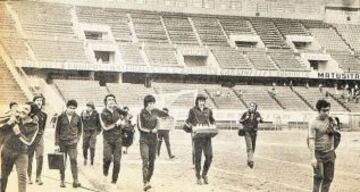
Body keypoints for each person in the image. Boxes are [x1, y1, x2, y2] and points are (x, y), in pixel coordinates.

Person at [1, 102, 39, 192]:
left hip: (22, 153)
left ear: (31, 113)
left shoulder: (34, 125)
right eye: (23, 107)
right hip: (7, 151)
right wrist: (10, 121)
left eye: (26, 109)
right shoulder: (15, 116)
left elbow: (29, 142)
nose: (22, 110)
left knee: (22, 177)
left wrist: (18, 133)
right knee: (3, 176)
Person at [137, 95, 169, 191]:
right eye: (149, 103)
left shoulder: (156, 111)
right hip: (144, 140)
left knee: (152, 162)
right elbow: (140, 127)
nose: (151, 105)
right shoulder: (140, 113)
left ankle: (148, 180)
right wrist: (152, 130)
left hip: (154, 141)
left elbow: (166, 115)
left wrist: (163, 119)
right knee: (145, 159)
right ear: (146, 104)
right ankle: (145, 182)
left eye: (153, 103)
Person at [184, 93, 216, 185]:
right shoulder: (192, 110)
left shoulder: (208, 110)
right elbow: (188, 121)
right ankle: (198, 177)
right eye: (200, 100)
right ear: (197, 101)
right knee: (198, 158)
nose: (202, 102)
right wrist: (191, 127)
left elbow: (212, 120)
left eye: (204, 101)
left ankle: (204, 174)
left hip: (207, 137)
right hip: (197, 137)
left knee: (209, 156)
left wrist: (213, 125)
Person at [308, 99, 338, 192]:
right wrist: (313, 157)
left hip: (329, 153)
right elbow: (311, 140)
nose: (326, 113)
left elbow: (336, 135)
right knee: (318, 176)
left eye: (328, 110)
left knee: (328, 178)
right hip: (318, 153)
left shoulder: (331, 120)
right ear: (319, 110)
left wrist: (334, 126)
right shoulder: (313, 122)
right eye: (324, 110)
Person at [99, 94, 127, 184]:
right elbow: (105, 128)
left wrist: (124, 122)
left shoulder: (118, 110)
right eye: (109, 99)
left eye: (113, 99)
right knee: (107, 159)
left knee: (117, 162)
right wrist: (116, 124)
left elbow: (128, 115)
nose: (111, 101)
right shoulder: (102, 113)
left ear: (115, 101)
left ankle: (114, 181)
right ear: (106, 102)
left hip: (118, 139)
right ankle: (105, 174)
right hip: (107, 139)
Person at [55, 100, 82, 188]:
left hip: (72, 143)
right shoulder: (61, 117)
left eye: (74, 108)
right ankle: (62, 180)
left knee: (73, 160)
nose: (72, 110)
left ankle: (75, 180)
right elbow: (57, 131)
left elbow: (80, 130)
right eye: (70, 108)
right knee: (62, 162)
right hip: (62, 143)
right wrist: (56, 143)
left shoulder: (78, 117)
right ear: (67, 107)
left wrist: (77, 139)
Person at [27, 95, 48, 185]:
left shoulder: (44, 114)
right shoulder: (29, 114)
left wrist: (40, 136)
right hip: (30, 138)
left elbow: (43, 128)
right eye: (37, 100)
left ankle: (38, 177)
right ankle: (29, 177)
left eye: (40, 100)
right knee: (29, 157)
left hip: (39, 138)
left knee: (40, 156)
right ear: (34, 102)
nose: (39, 102)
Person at [239, 102, 263, 169]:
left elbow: (262, 120)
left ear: (255, 108)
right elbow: (240, 121)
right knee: (250, 147)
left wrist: (260, 119)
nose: (251, 107)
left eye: (253, 106)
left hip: (254, 132)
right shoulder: (246, 113)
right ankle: (251, 161)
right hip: (247, 132)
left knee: (253, 147)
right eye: (250, 106)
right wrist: (245, 119)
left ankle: (249, 159)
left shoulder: (257, 114)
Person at [81, 102, 101, 166]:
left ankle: (92, 159)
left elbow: (99, 123)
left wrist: (98, 132)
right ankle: (85, 158)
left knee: (92, 147)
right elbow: (80, 121)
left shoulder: (96, 114)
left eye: (89, 107)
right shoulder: (83, 113)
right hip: (86, 132)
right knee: (84, 146)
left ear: (92, 108)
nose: (88, 108)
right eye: (87, 106)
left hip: (93, 132)